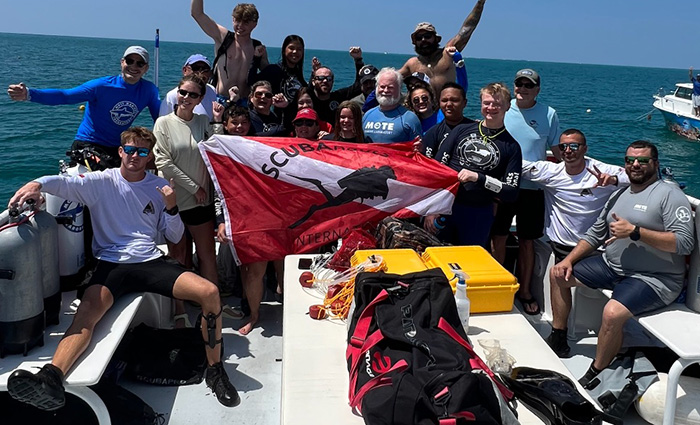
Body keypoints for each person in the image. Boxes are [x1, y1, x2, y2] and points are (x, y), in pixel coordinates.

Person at [6, 127, 240, 409]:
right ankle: (51, 377)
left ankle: (215, 371)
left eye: (142, 151)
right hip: (111, 264)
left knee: (209, 292)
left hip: (150, 262)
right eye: (129, 150)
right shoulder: (100, 182)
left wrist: (171, 206)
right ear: (120, 151)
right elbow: (61, 184)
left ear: (149, 156)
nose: (135, 156)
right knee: (86, 315)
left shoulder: (157, 187)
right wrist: (36, 184)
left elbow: (175, 236)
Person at [547, 141, 694, 387]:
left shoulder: (670, 194)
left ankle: (598, 371)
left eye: (643, 160)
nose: (635, 165)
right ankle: (559, 336)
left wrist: (636, 231)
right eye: (629, 160)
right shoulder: (620, 193)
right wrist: (569, 260)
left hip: (654, 278)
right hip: (612, 266)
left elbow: (685, 243)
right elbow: (595, 233)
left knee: (612, 313)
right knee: (557, 273)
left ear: (655, 164)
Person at [6, 46, 160, 168]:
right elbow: (65, 96)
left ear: (146, 68)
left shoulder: (149, 90)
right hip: (88, 144)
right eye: (129, 61)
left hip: (117, 147)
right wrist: (29, 94)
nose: (134, 66)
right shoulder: (101, 86)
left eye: (139, 63)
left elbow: (160, 120)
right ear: (122, 62)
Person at [491, 68, 562, 316]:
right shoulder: (501, 108)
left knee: (527, 240)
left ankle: (525, 291)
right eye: (519, 84)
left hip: (533, 188)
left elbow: (558, 151)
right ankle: (498, 286)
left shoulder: (549, 114)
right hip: (503, 185)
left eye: (528, 85)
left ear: (537, 90)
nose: (522, 89)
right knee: (498, 236)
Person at [426, 82, 521, 249]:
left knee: (469, 263)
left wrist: (480, 178)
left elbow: (511, 192)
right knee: (437, 256)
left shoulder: (512, 147)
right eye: (487, 103)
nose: (491, 108)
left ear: (507, 106)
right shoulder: (461, 130)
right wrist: (432, 208)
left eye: (497, 104)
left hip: (478, 213)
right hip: (447, 206)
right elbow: (437, 169)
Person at [520, 129, 630, 263]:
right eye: (563, 146)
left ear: (585, 149)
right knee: (557, 275)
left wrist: (613, 180)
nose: (567, 150)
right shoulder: (551, 172)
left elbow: (636, 177)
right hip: (560, 246)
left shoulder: (601, 170)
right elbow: (518, 164)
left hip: (593, 247)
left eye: (573, 146)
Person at [398, 0, 486, 96]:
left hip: (447, 108)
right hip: (423, 109)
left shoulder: (447, 54)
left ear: (436, 39)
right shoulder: (412, 64)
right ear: (415, 42)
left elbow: (468, 28)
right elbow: (389, 78)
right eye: (419, 38)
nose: (423, 40)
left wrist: (480, 3)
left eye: (427, 36)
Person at [190, 1, 267, 98]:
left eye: (245, 22)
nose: (240, 25)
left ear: (255, 24)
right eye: (237, 20)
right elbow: (197, 14)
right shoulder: (223, 38)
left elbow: (266, 73)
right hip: (221, 100)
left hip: (245, 103)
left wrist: (259, 58)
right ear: (233, 19)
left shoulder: (257, 47)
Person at [249, 34, 307, 129]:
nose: (295, 52)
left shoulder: (299, 76)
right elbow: (251, 82)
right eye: (291, 48)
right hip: (277, 123)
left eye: (299, 49)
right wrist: (256, 58)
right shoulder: (274, 70)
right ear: (284, 50)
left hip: (296, 124)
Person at [362, 67, 422, 143]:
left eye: (390, 87)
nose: (386, 90)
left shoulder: (410, 118)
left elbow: (417, 150)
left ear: (399, 89)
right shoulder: (367, 115)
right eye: (382, 87)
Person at [308, 47, 364, 123]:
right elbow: (308, 90)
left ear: (333, 81)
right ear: (313, 81)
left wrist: (358, 60)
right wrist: (314, 72)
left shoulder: (338, 97)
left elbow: (358, 86)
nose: (325, 81)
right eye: (321, 78)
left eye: (329, 78)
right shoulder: (308, 100)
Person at [422, 82, 475, 159]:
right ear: (439, 103)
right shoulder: (432, 133)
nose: (449, 104)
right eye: (444, 100)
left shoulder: (475, 128)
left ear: (464, 103)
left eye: (454, 100)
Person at [160, 54, 218, 120]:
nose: (200, 72)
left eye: (205, 69)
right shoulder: (172, 96)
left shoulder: (212, 90)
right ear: (185, 70)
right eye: (196, 68)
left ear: (210, 73)